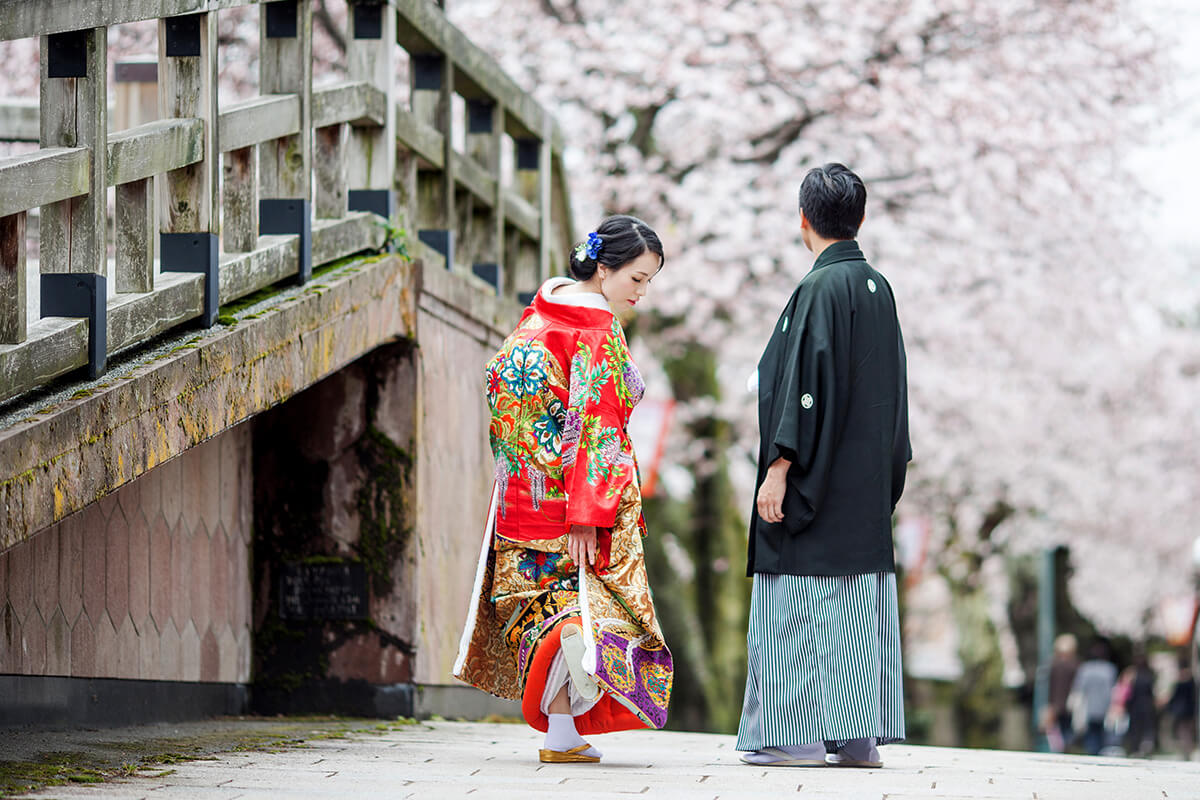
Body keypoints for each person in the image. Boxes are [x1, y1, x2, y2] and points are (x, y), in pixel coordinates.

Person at [453, 215, 672, 764]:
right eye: (637, 279)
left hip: (522, 492)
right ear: (604, 269)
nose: (641, 293)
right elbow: (599, 424)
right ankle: (564, 720)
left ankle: (562, 731)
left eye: (648, 282)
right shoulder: (596, 331)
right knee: (589, 607)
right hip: (577, 497)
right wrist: (588, 512)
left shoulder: (536, 316)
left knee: (544, 604)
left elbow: (510, 406)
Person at [736, 163, 910, 768]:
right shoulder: (877, 287)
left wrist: (780, 466)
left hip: (813, 484)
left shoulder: (818, 289)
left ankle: (791, 736)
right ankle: (857, 738)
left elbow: (800, 384)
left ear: (803, 219)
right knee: (857, 617)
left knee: (799, 609)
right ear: (858, 218)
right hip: (861, 487)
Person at [1070, 639, 1118, 756]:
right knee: (1103, 735)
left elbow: (1079, 688)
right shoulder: (1109, 669)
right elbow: (1111, 690)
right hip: (1104, 707)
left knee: (1091, 736)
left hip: (1088, 707)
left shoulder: (1085, 669)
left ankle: (1092, 754)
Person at [1045, 634, 1080, 752]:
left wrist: (1050, 705)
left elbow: (1052, 688)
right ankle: (1067, 750)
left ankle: (1060, 752)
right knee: (1067, 731)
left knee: (1055, 732)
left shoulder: (1054, 665)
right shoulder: (1076, 665)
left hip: (1057, 703)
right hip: (1070, 704)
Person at [1124, 651, 1158, 757]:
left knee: (1139, 728)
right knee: (1141, 727)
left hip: (1139, 704)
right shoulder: (1147, 674)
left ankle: (1139, 748)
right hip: (1141, 704)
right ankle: (1140, 748)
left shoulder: (1134, 674)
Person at [1165, 650, 1197, 758]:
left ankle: (1186, 749)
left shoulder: (1181, 679)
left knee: (1182, 729)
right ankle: (1188, 749)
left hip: (1181, 708)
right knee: (1187, 729)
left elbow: (1175, 694)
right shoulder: (1191, 678)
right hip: (1189, 708)